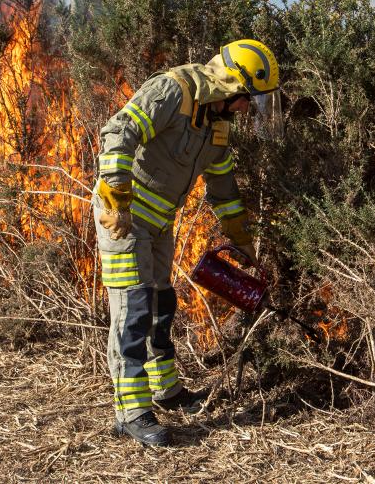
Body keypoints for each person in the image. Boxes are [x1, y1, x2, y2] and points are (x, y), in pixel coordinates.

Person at [93, 39, 281, 447]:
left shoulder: (218, 122)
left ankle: (166, 390)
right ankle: (131, 411)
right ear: (231, 85)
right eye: (247, 98)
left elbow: (223, 186)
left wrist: (243, 240)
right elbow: (118, 132)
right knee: (133, 307)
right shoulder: (173, 92)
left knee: (161, 302)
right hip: (123, 216)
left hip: (159, 221)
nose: (247, 109)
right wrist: (117, 197)